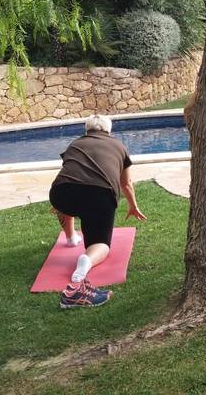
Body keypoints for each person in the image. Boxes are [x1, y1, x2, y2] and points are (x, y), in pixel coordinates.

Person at [50, 115, 146, 308]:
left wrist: (60, 203)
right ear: (109, 131)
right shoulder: (119, 146)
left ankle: (70, 238)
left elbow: (71, 173)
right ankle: (83, 267)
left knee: (68, 196)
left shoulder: (75, 144)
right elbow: (125, 183)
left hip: (61, 191)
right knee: (101, 245)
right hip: (99, 196)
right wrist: (133, 206)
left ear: (87, 131)